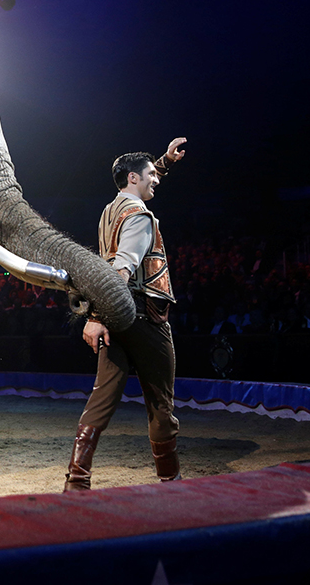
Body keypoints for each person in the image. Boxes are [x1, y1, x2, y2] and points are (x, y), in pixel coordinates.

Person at [64, 137, 187, 492]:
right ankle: (171, 480)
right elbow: (123, 269)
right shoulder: (140, 216)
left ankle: (77, 479)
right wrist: (99, 314)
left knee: (102, 396)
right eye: (151, 174)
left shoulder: (111, 209)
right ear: (133, 178)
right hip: (145, 316)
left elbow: (140, 182)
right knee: (161, 402)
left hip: (116, 317)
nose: (157, 179)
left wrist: (163, 161)